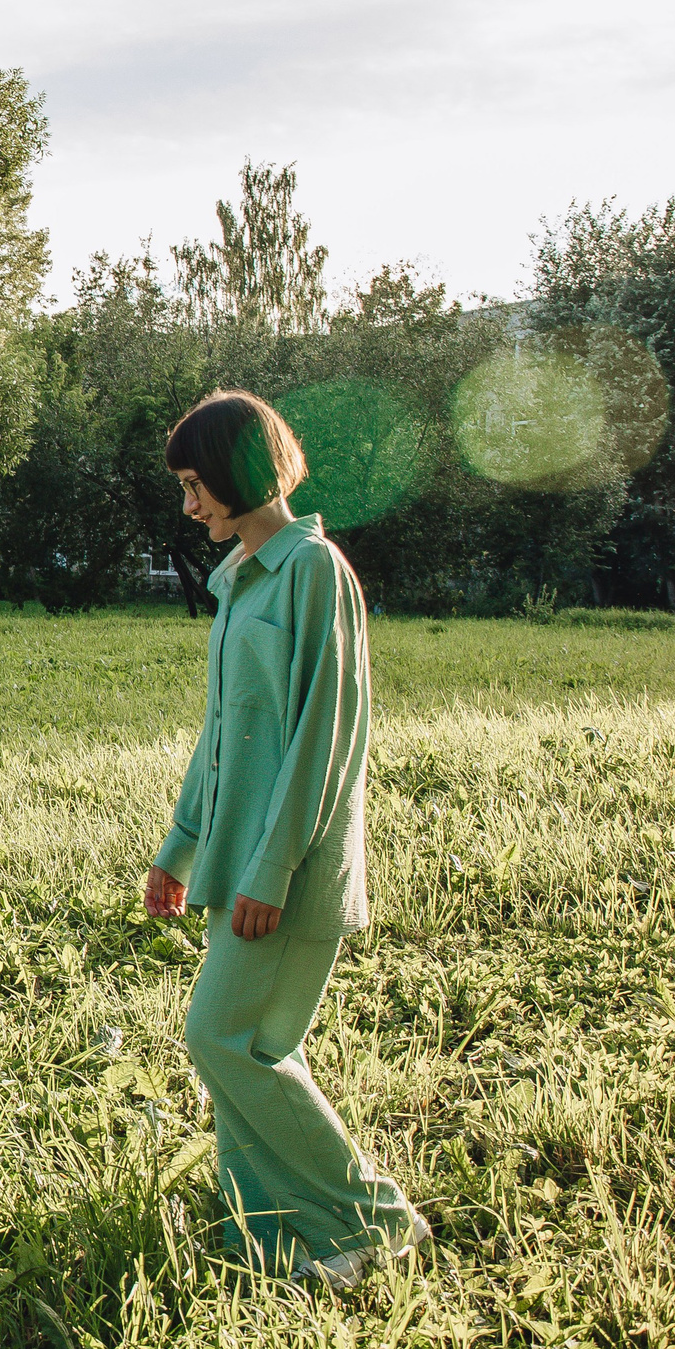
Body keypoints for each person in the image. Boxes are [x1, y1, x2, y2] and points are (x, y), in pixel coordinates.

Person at [142, 389, 427, 1289]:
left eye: (196, 484)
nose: (189, 506)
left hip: (290, 870)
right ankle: (272, 1239)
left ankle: (377, 1218)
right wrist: (179, 846)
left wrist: (271, 869)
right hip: (240, 863)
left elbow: (326, 737)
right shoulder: (239, 581)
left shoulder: (314, 569)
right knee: (250, 1051)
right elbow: (221, 732)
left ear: (237, 472)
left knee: (227, 1042)